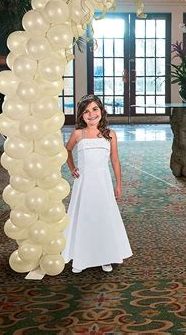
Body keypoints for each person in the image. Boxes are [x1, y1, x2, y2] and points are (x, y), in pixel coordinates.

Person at [62, 94, 132, 273]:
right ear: (81, 116)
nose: (91, 114)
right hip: (84, 184)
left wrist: (118, 185)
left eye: (94, 109)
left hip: (103, 183)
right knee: (84, 217)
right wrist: (72, 168)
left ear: (101, 110)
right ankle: (80, 257)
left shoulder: (110, 134)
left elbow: (115, 160)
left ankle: (105, 256)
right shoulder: (79, 134)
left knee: (103, 216)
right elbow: (67, 151)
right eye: (86, 112)